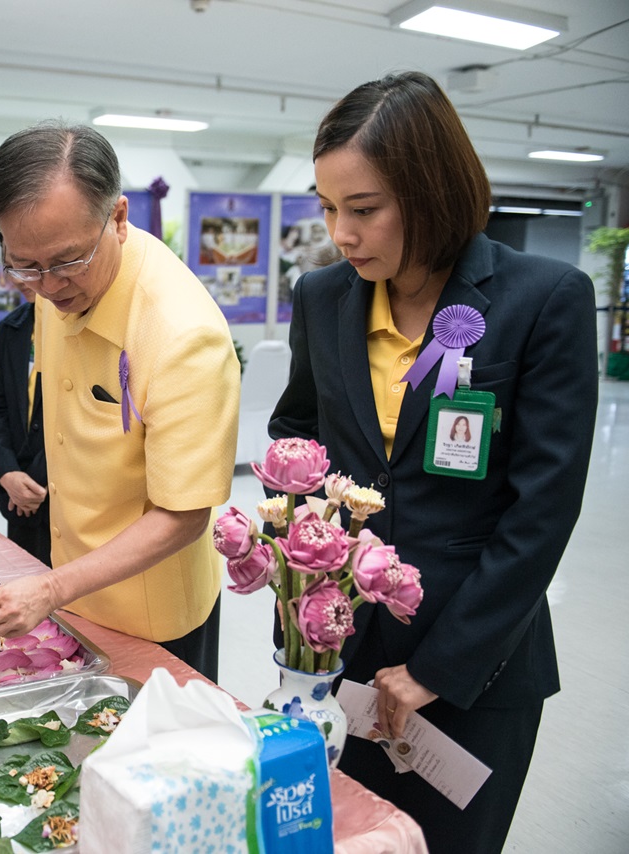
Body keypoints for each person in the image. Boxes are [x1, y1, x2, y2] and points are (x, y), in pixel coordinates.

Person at [268, 71, 597, 854]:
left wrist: (438, 670)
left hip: (475, 659)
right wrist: (306, 566)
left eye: (364, 209)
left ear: (432, 192)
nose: (340, 233)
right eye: (327, 208)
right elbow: (298, 430)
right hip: (338, 646)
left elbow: (541, 511)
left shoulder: (542, 299)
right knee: (338, 836)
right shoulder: (323, 296)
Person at [0, 122, 241, 682]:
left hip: (152, 610)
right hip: (69, 587)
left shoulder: (183, 334)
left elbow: (184, 515)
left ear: (117, 217)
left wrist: (52, 586)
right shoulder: (53, 283)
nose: (47, 285)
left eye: (66, 261)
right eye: (25, 265)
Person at [0, 274, 50, 565]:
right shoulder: (13, 328)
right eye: (12, 266)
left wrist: (34, 480)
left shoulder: (83, 329)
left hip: (63, 495)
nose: (21, 278)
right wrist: (6, 472)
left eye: (30, 266)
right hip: (20, 499)